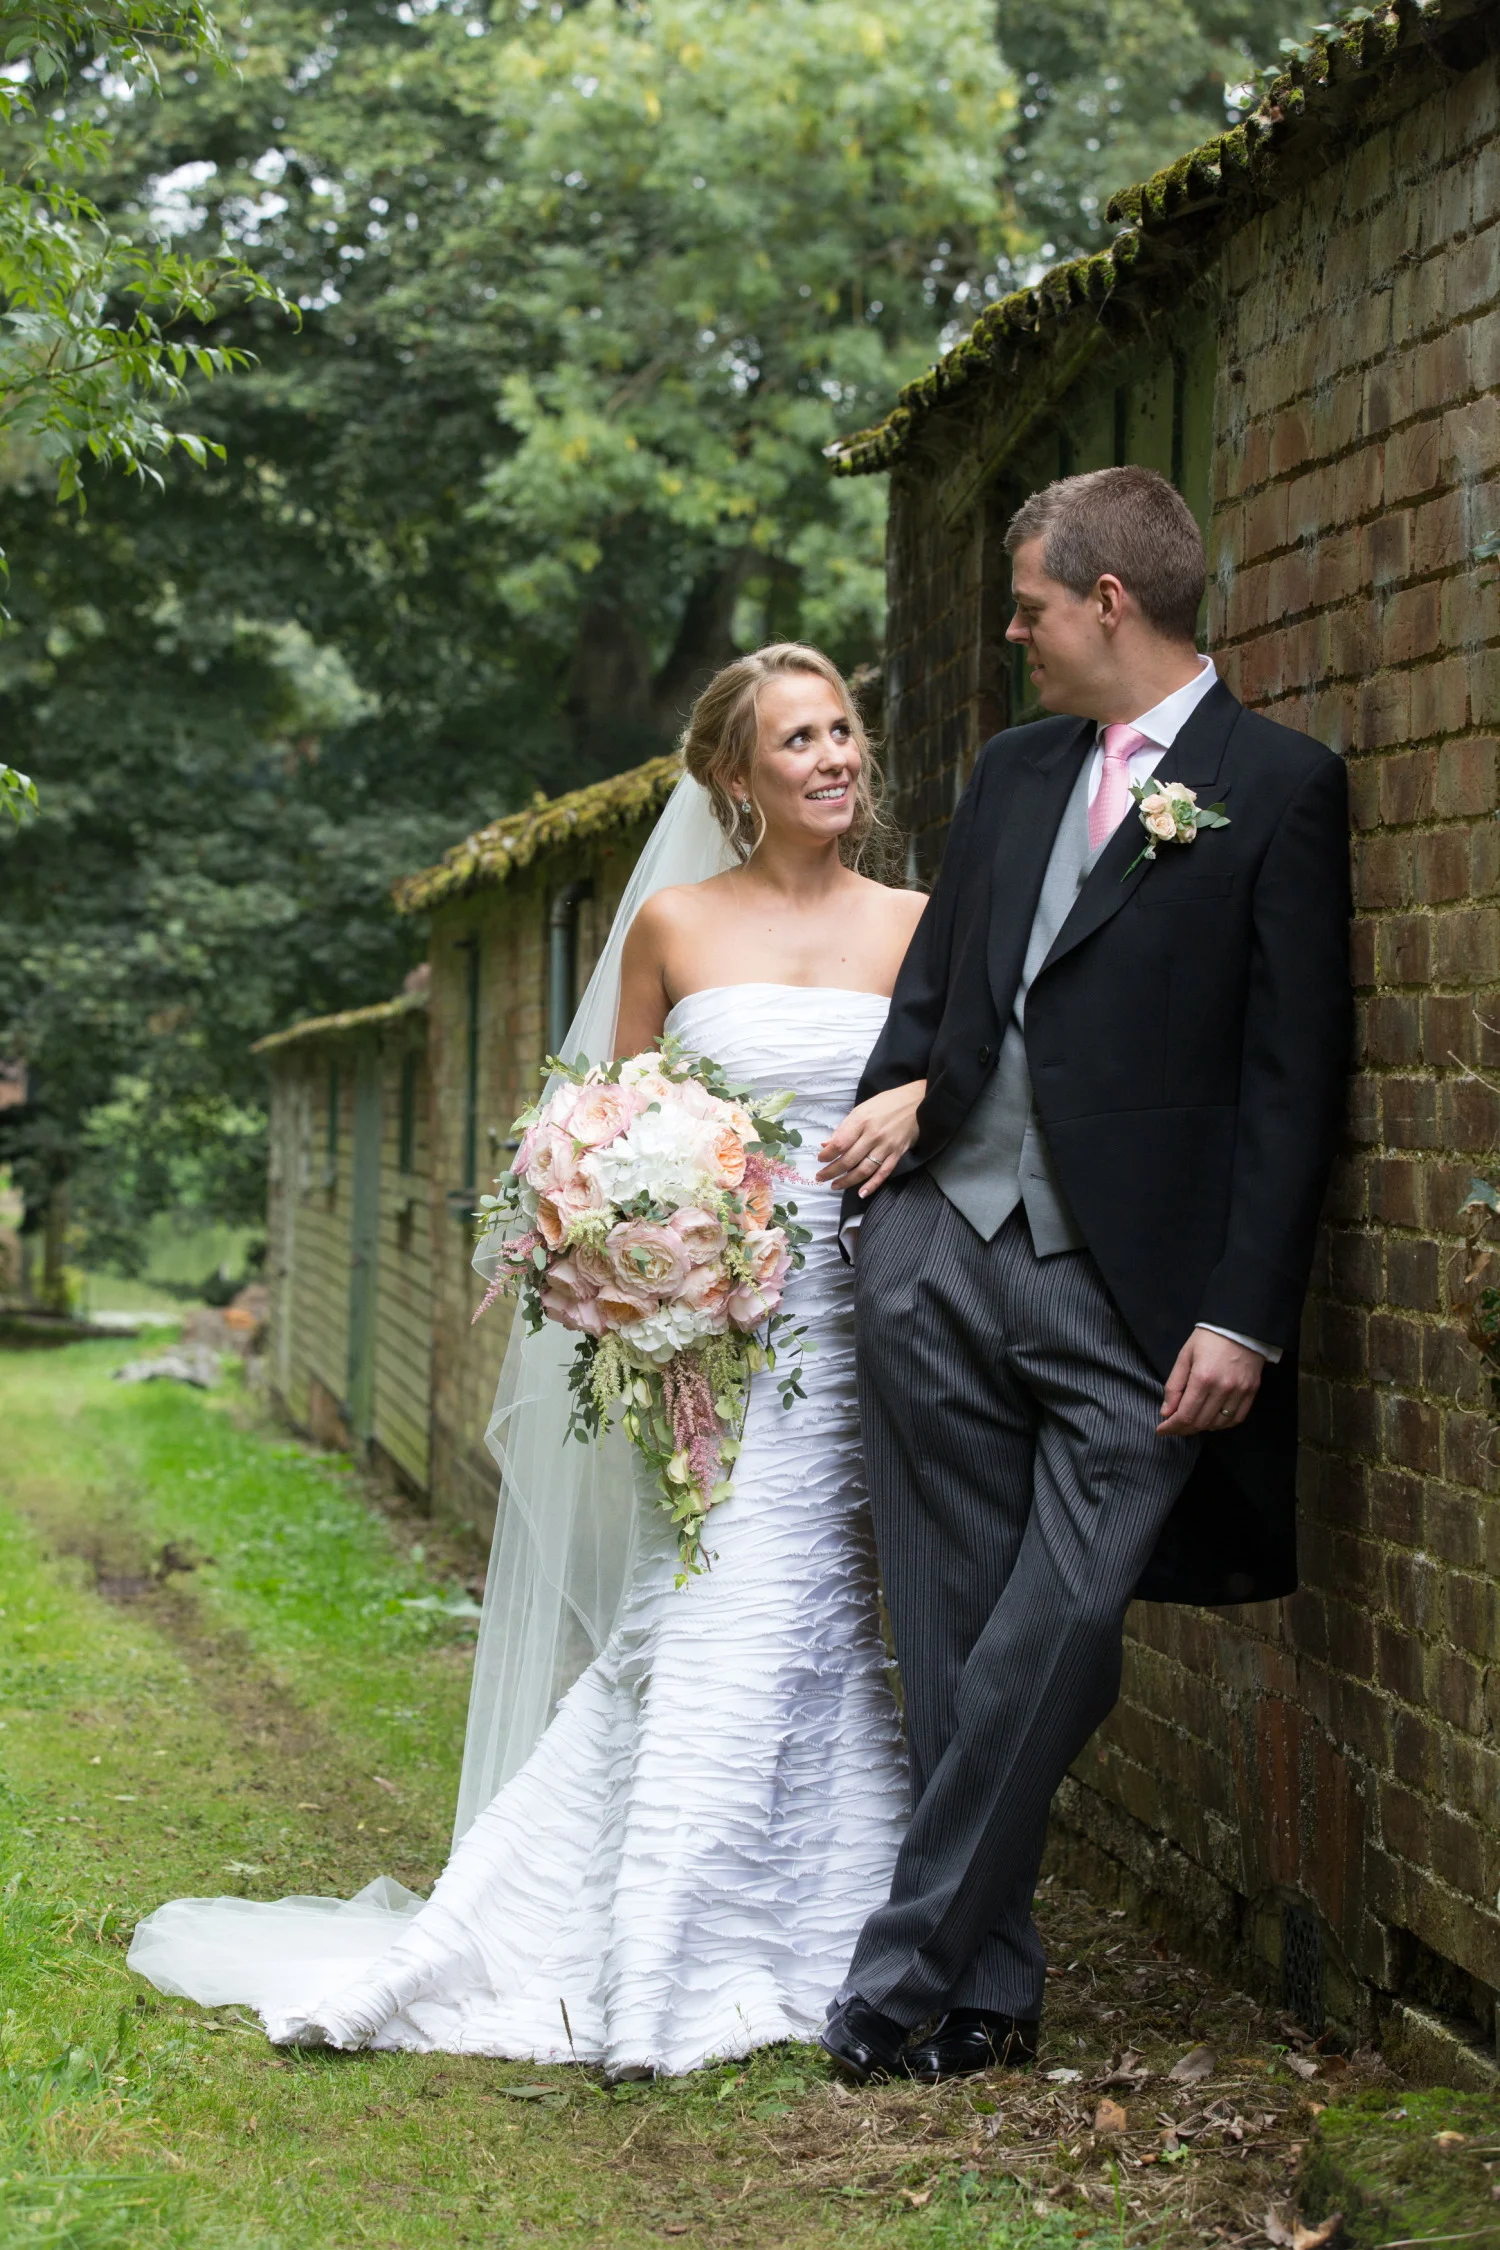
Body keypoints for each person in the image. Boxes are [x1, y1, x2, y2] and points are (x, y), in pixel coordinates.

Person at [128, 643, 924, 2080]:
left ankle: (822, 1925)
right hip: (716, 1341)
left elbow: (977, 1078)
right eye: (798, 738)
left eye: (842, 730)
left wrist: (919, 1094)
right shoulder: (672, 926)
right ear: (735, 776)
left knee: (822, 1619)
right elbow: (608, 1134)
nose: (833, 758)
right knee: (719, 1606)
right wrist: (649, 1273)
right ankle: (659, 1963)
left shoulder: (920, 924)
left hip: (870, 1325)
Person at [815, 465, 1352, 2085]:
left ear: (1109, 602)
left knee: (1058, 1625)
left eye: (1031, 605)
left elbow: (1292, 1081)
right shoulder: (1011, 771)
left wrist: (1243, 1312)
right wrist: (899, 1164)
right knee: (948, 1626)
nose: (1014, 632)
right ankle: (990, 1993)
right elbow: (943, 994)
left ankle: (897, 1974)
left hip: (1137, 1306)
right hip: (940, 1256)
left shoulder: (1278, 787)